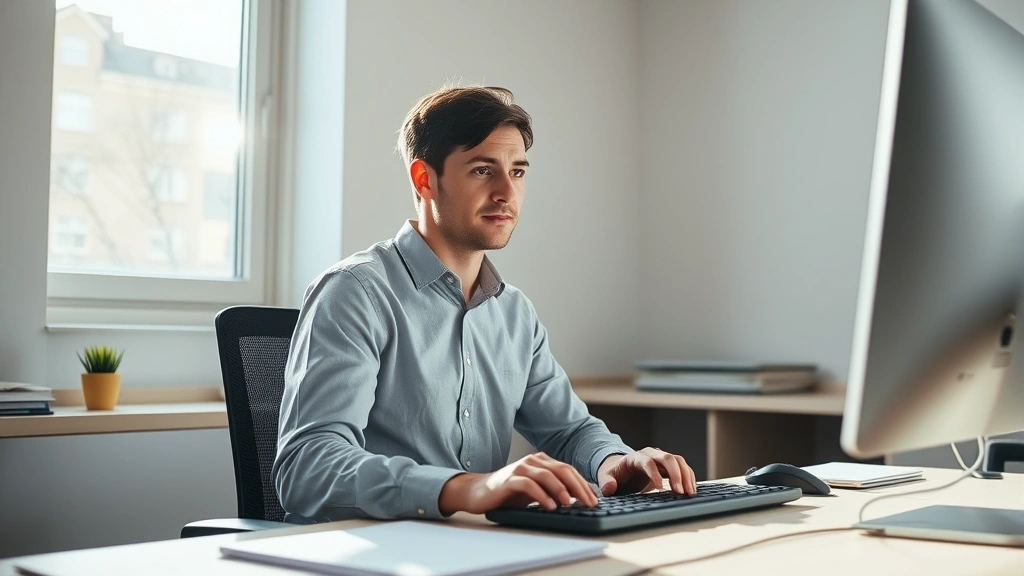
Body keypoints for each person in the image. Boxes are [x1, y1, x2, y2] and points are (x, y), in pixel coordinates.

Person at [273, 86, 696, 522]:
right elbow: (307, 468)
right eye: (482, 170)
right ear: (424, 179)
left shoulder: (514, 312)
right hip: (368, 556)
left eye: (517, 172)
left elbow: (569, 431)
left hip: (480, 549)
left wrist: (613, 461)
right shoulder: (355, 291)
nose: (506, 193)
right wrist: (464, 489)